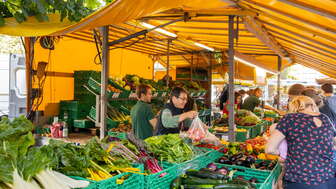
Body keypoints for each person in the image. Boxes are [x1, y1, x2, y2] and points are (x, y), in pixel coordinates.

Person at [266, 96, 336, 189]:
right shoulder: (325, 118)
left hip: (300, 180)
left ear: (293, 107)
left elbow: (269, 149)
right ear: (313, 105)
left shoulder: (290, 118)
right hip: (329, 178)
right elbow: (333, 142)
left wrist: (284, 154)